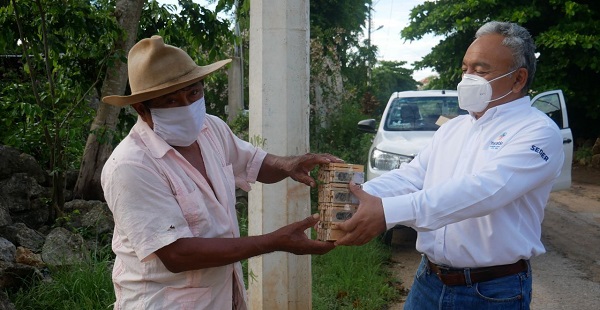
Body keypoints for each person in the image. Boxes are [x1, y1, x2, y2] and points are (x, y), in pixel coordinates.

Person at [335, 21, 564, 309]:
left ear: (518, 79)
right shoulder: (454, 129)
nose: (468, 78)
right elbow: (412, 177)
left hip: (492, 292)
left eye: (481, 71)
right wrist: (357, 195)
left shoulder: (538, 132)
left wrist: (388, 212)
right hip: (429, 281)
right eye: (465, 69)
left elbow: (484, 191)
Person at [100, 35, 338, 309]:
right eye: (170, 101)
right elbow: (177, 254)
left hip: (222, 296)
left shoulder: (210, 128)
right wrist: (273, 241)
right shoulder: (131, 166)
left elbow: (254, 163)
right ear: (142, 109)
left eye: (193, 93)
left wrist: (290, 165)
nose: (187, 106)